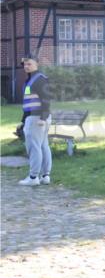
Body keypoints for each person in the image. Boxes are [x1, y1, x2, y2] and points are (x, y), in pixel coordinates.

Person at [18, 55, 52, 186]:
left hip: (37, 118)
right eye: (25, 64)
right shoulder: (30, 80)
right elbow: (29, 102)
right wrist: (23, 120)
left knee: (34, 147)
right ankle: (45, 176)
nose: (26, 66)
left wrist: (42, 118)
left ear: (37, 64)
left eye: (29, 64)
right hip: (34, 117)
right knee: (43, 146)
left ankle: (33, 177)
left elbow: (46, 99)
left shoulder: (39, 79)